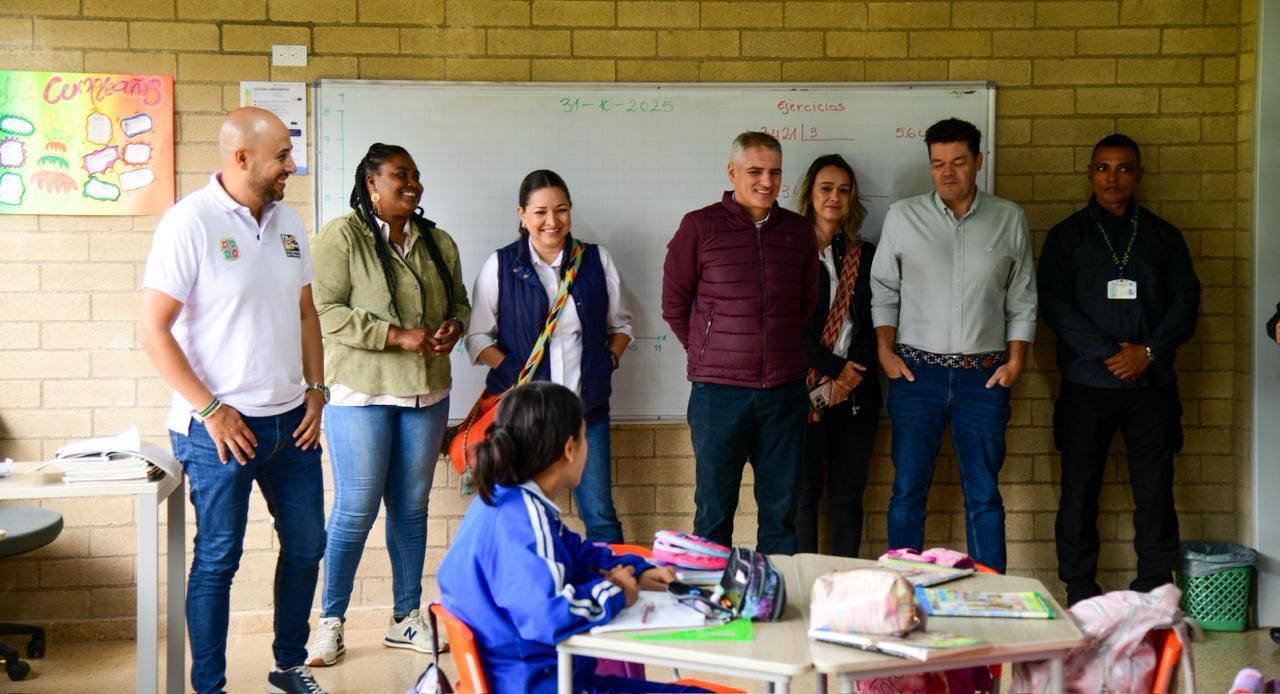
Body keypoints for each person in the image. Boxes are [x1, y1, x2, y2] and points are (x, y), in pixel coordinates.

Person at [139, 107, 328, 694]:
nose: (291, 167)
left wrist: (318, 391)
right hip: (218, 428)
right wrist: (210, 408)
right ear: (240, 158)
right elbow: (153, 329)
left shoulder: (289, 219)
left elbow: (304, 312)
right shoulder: (188, 223)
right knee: (219, 558)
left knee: (307, 545)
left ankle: (288, 664)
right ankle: (210, 687)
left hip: (291, 422)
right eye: (281, 157)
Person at [305, 143, 471, 666]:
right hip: (362, 392)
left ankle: (405, 619)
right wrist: (393, 335)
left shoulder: (437, 241)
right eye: (401, 175)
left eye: (417, 175)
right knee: (355, 508)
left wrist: (455, 327)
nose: (413, 183)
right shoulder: (342, 235)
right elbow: (322, 310)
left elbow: (460, 301)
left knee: (411, 507)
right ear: (372, 182)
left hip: (427, 392)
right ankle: (330, 623)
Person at [437, 382, 706, 694]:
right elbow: (547, 616)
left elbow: (577, 554)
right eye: (584, 437)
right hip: (542, 683)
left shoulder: (507, 499)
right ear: (569, 449)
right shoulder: (523, 519)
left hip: (530, 676)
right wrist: (615, 591)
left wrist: (639, 570)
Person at [1039, 133, 1200, 606]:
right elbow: (1055, 305)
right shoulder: (1067, 236)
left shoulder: (1164, 237)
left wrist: (1146, 353)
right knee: (1079, 490)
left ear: (1139, 175)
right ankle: (1081, 589)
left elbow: (1185, 305)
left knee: (1154, 490)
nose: (1113, 177)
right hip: (1086, 385)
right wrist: (1108, 353)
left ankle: (1153, 586)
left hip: (1151, 386)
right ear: (1090, 174)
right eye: (1104, 168)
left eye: (1124, 168)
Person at [870, 117, 1036, 573]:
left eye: (958, 162)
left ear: (978, 162)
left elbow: (1022, 298)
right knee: (908, 490)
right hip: (915, 375)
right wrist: (885, 351)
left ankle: (992, 595)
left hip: (983, 378)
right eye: (938, 163)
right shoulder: (904, 217)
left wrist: (1017, 360)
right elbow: (883, 289)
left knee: (983, 495)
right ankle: (903, 584)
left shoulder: (1009, 218)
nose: (948, 172)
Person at [662, 131, 819, 555]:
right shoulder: (699, 226)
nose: (766, 182)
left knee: (781, 516)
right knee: (713, 514)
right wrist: (709, 350)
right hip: (718, 395)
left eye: (774, 172)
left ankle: (775, 603)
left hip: (784, 394)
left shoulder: (799, 232)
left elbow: (804, 304)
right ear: (733, 173)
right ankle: (715, 611)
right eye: (755, 171)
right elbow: (675, 303)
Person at [465, 170, 632, 543]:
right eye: (540, 212)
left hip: (587, 414)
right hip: (525, 420)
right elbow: (477, 338)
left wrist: (607, 362)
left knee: (601, 515)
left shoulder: (595, 260)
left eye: (561, 210)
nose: (552, 222)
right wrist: (513, 371)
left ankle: (618, 592)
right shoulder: (501, 265)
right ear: (522, 215)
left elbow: (621, 326)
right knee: (521, 516)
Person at [793, 154, 881, 558]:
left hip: (855, 392)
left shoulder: (865, 255)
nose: (834, 197)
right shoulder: (789, 252)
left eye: (843, 190)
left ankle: (846, 589)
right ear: (810, 194)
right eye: (826, 188)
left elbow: (878, 319)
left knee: (848, 496)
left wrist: (850, 377)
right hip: (803, 393)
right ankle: (808, 586)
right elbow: (788, 330)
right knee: (804, 496)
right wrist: (833, 372)